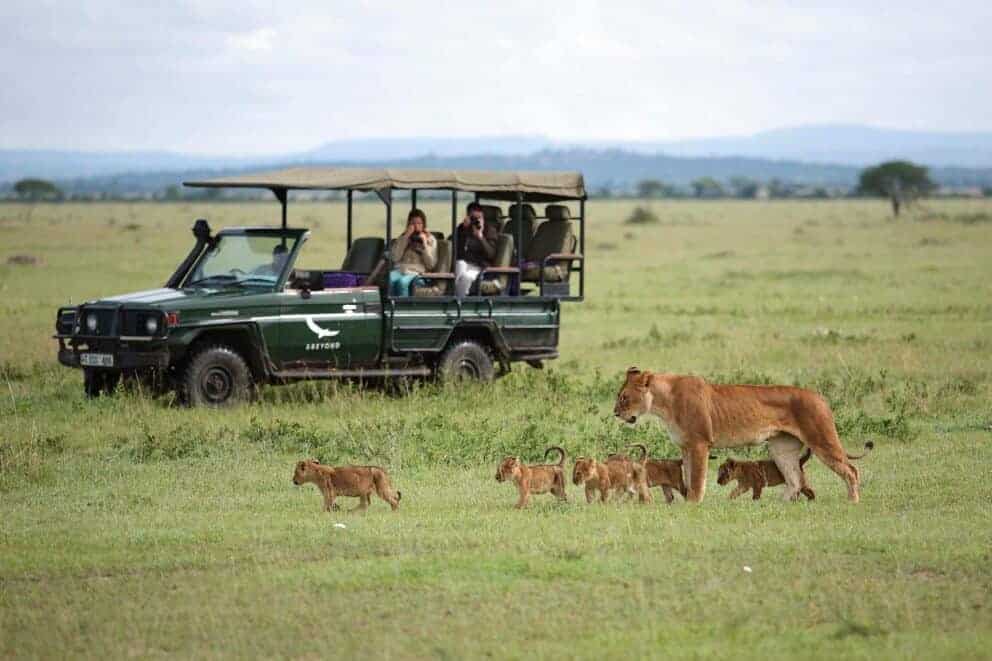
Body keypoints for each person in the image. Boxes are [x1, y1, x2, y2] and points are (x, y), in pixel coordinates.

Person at [388, 209, 437, 297]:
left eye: (419, 223)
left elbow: (431, 264)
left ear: (423, 225)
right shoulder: (404, 237)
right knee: (390, 279)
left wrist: (424, 245)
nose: (416, 226)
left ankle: (403, 309)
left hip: (417, 273)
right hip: (401, 270)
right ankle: (391, 307)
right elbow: (394, 257)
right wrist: (406, 237)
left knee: (402, 283)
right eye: (412, 223)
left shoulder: (430, 239)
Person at [453, 201, 498, 296]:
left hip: (480, 266)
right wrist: (464, 230)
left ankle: (460, 300)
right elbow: (456, 249)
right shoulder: (463, 229)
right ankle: (459, 297)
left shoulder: (489, 230)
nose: (476, 221)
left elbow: (491, 254)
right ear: (468, 217)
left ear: (483, 218)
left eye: (479, 218)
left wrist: (480, 237)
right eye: (474, 218)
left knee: (466, 277)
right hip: (465, 263)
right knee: (459, 264)